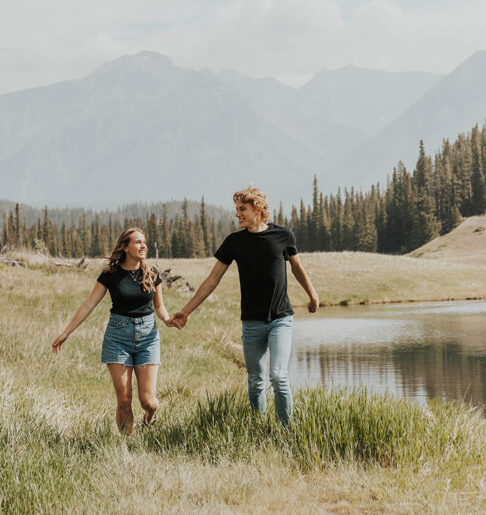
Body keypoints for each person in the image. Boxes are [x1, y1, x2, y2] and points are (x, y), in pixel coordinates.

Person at [170, 186, 319, 426]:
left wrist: (312, 295)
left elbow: (296, 268)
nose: (237, 214)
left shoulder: (283, 235)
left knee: (278, 376)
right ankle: (259, 429)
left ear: (258, 209)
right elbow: (212, 280)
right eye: (236, 209)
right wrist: (186, 311)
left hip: (280, 318)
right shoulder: (234, 242)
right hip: (251, 323)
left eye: (242, 209)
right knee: (255, 380)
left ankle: (287, 431)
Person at [52, 228, 173, 434]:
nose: (143, 246)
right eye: (138, 242)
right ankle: (127, 447)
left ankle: (149, 419)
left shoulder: (152, 274)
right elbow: (88, 305)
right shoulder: (111, 275)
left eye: (144, 242)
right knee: (124, 400)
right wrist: (66, 333)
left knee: (149, 402)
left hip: (148, 338)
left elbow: (159, 307)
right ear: (125, 247)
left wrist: (169, 320)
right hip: (118, 337)